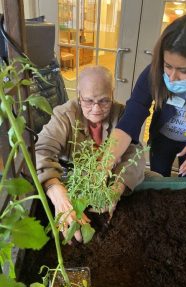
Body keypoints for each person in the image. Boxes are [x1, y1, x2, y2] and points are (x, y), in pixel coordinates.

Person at [35, 65, 146, 242]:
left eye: (104, 101)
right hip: (71, 179)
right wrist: (57, 194)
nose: (96, 108)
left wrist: (117, 189)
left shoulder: (123, 114)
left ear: (112, 93)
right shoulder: (64, 115)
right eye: (88, 101)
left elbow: (135, 154)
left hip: (110, 177)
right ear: (79, 95)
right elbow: (41, 151)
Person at [108, 14, 186, 177]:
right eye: (167, 66)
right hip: (162, 140)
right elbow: (133, 114)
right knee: (159, 179)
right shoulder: (153, 72)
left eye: (184, 71)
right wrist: (108, 159)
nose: (172, 77)